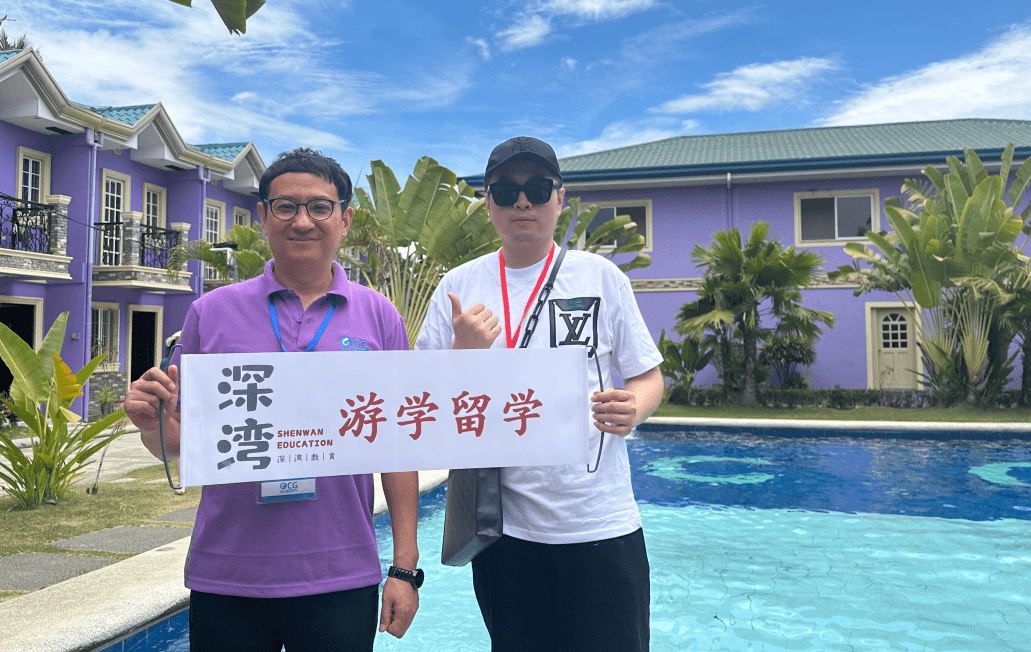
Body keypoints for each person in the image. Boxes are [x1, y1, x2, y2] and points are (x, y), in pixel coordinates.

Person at [124, 148, 421, 652]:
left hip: (340, 571)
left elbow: (397, 448)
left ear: (345, 219)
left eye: (320, 207)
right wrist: (151, 423)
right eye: (286, 206)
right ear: (263, 216)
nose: (302, 221)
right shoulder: (211, 313)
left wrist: (405, 569)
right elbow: (180, 444)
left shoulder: (378, 317)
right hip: (228, 573)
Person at [415, 136, 664, 652]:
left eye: (537, 188)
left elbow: (648, 377)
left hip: (600, 523)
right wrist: (462, 352)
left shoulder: (601, 277)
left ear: (559, 197)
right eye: (506, 191)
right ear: (488, 204)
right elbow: (422, 405)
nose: (522, 202)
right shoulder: (458, 287)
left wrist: (634, 407)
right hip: (504, 531)